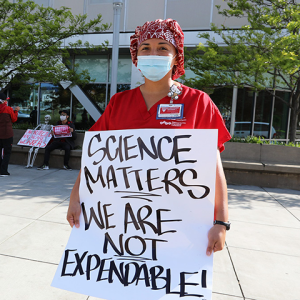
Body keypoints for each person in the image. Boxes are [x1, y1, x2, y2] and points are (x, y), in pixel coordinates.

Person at [67, 19, 232, 256]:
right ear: (136, 55)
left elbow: (213, 167)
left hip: (179, 226)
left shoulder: (198, 103)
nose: (153, 53)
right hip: (121, 223)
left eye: (163, 47)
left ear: (176, 55)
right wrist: (75, 197)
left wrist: (221, 221)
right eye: (145, 47)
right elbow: (96, 158)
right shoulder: (119, 103)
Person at [0, 92, 20, 176]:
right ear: (4, 100)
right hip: (7, 134)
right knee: (7, 153)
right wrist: (15, 111)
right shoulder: (8, 109)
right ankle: (3, 171)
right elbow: (14, 119)